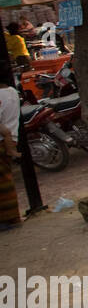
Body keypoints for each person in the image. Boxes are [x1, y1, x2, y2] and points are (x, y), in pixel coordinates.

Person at [0, 72, 20, 231]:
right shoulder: (12, 92)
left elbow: (3, 128)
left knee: (3, 183)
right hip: (12, 137)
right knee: (6, 181)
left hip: (4, 140)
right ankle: (11, 217)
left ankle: (7, 219)